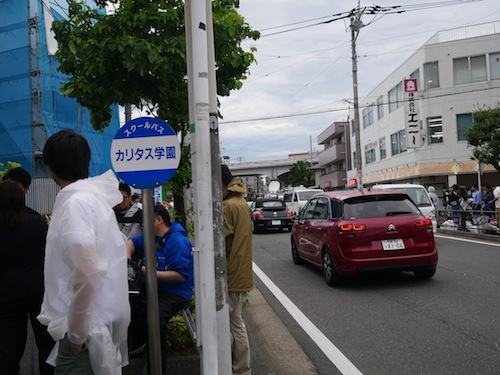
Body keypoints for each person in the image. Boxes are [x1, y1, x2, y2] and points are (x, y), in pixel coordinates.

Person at [37, 129, 130, 374]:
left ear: (50, 167)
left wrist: (76, 335)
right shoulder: (93, 198)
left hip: (86, 329)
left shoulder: (75, 203)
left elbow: (88, 271)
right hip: (99, 322)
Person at [127, 204, 194, 375]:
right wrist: (128, 261)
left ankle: (156, 367)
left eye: (146, 221)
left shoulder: (178, 242)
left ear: (158, 220)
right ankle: (140, 341)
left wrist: (150, 272)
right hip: (153, 286)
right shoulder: (153, 237)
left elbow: (180, 275)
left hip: (174, 293)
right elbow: (132, 242)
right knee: (129, 302)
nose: (142, 225)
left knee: (154, 320)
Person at [0, 179, 55, 375]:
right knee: (46, 344)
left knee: (8, 348)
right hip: (37, 290)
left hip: (6, 295)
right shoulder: (36, 223)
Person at [221, 164, 253, 375]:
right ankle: (240, 367)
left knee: (234, 323)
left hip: (231, 270)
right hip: (240, 268)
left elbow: (218, 241)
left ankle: (241, 369)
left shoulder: (228, 206)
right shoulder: (240, 202)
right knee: (237, 320)